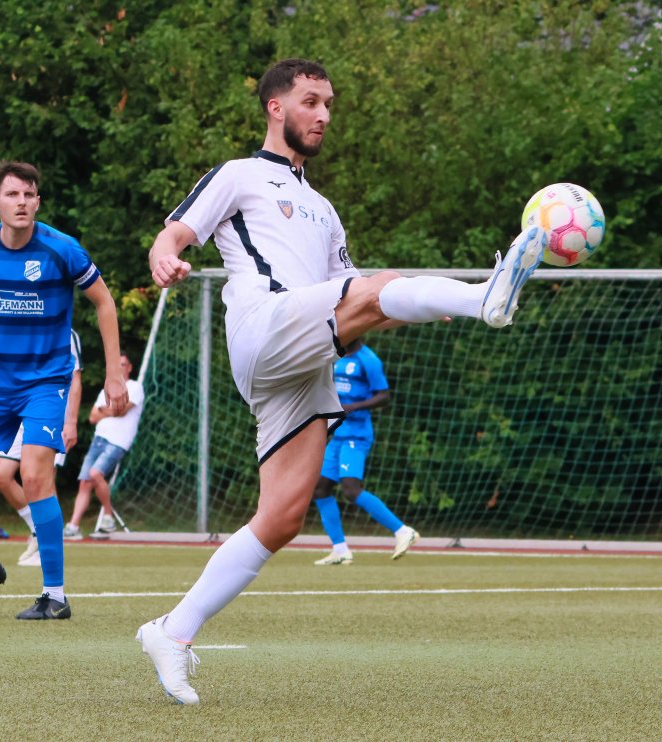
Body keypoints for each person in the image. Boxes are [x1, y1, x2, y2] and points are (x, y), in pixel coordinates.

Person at [136, 57, 548, 704]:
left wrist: (420, 307)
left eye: (328, 103)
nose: (323, 114)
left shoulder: (324, 210)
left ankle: (172, 631)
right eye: (309, 101)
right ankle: (484, 296)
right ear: (276, 107)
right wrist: (165, 259)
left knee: (281, 518)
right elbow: (175, 234)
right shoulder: (239, 176)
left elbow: (357, 309)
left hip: (301, 360)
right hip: (262, 328)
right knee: (380, 285)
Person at [0, 160, 128, 621]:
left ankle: (55, 595)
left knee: (33, 475)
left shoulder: (60, 249)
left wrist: (113, 375)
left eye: (29, 195)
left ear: (37, 202)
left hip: (46, 383)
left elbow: (104, 302)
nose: (22, 202)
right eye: (13, 195)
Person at [312, 337, 418, 565]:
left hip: (357, 435)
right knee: (320, 488)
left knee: (350, 489)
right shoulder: (338, 356)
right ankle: (340, 550)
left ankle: (402, 531)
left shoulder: (369, 360)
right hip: (339, 434)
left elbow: (384, 396)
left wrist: (353, 407)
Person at [0, 329, 83, 567]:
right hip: (22, 414)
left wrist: (71, 422)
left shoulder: (66, 332)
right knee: (1, 476)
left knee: (43, 481)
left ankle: (47, 548)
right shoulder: (24, 324)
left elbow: (76, 379)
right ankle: (37, 530)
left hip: (51, 415)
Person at [64, 353, 145, 539]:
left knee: (95, 474)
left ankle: (108, 518)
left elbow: (122, 410)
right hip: (99, 438)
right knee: (85, 482)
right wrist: (108, 410)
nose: (120, 368)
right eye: (117, 365)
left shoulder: (135, 387)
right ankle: (73, 526)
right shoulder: (106, 390)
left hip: (118, 441)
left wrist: (104, 410)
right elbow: (93, 417)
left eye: (123, 364)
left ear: (130, 367)